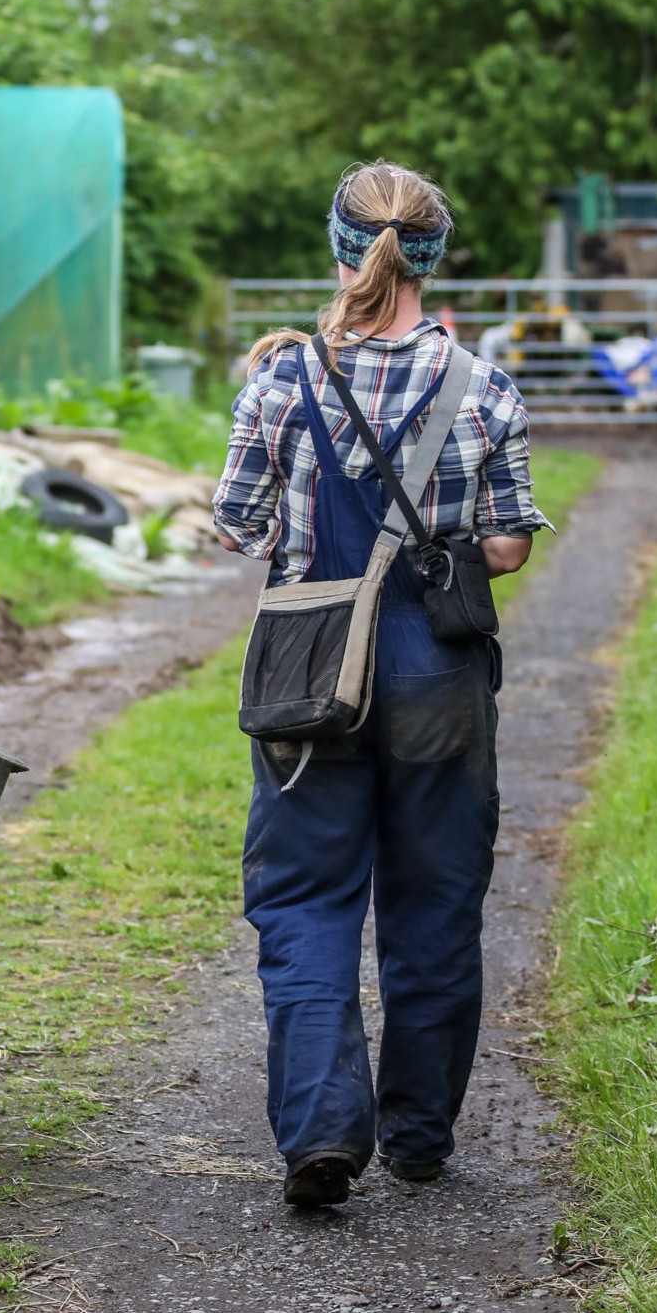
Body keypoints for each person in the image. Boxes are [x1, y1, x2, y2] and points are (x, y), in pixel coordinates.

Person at [213, 162, 549, 1209]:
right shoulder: (485, 387)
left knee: (307, 897)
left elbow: (238, 526)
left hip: (313, 665)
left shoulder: (282, 380)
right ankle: (416, 1135)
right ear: (435, 258)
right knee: (437, 896)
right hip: (438, 666)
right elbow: (505, 547)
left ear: (339, 248)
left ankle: (319, 1129)